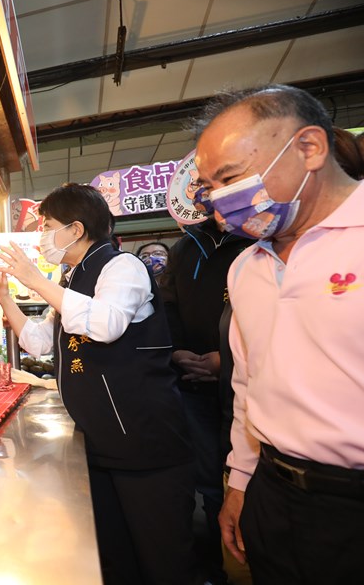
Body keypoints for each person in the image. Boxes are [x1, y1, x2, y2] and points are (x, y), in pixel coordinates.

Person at [193, 84, 364, 582]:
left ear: (309, 148)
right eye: (211, 187)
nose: (220, 200)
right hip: (273, 491)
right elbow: (249, 385)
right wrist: (241, 482)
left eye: (230, 177)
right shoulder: (246, 267)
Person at [0, 183, 195, 585]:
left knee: (164, 561)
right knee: (114, 558)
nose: (42, 235)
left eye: (47, 225)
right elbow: (42, 343)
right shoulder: (73, 276)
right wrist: (5, 298)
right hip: (98, 444)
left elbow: (106, 325)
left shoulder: (123, 267)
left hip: (145, 446)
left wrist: (35, 279)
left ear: (76, 229)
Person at [160, 217, 253, 585]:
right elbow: (167, 305)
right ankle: (218, 568)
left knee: (244, 481)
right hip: (193, 382)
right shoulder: (185, 247)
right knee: (211, 484)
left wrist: (224, 359)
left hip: (244, 383)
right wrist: (176, 351)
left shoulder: (255, 239)